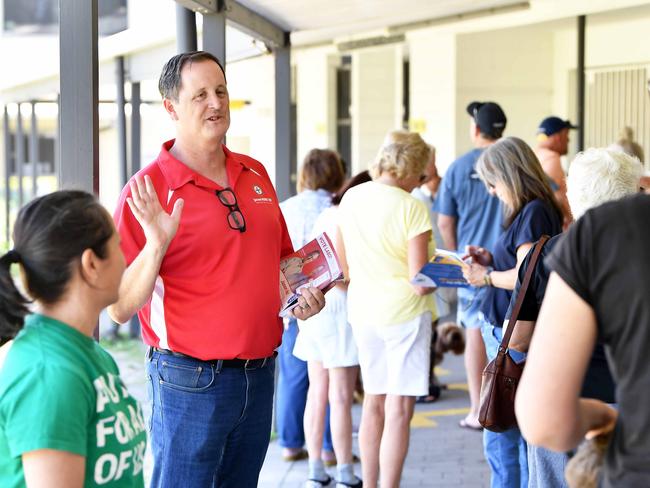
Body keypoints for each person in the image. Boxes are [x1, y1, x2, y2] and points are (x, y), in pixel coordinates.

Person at [108, 51, 325, 488]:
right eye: (201, 95)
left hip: (261, 374)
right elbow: (118, 306)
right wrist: (156, 243)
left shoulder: (255, 173)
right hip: (189, 383)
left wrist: (304, 295)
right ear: (170, 108)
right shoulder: (147, 190)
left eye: (221, 91)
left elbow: (282, 262)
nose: (216, 103)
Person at [504, 148, 642, 487]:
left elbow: (518, 339)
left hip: (568, 405)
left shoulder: (548, 255)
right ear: (635, 192)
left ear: (571, 196)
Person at [0, 190, 146, 488]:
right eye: (118, 245)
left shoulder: (89, 352)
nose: (124, 258)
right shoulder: (48, 373)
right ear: (91, 264)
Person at [337, 130, 437, 488]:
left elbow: (342, 269)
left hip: (363, 311)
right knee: (399, 409)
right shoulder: (411, 206)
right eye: (421, 175)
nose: (421, 182)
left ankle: (369, 484)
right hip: (406, 315)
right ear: (409, 168)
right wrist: (448, 271)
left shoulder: (352, 197)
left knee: (373, 402)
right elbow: (419, 278)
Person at [462, 136, 563, 488]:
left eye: (492, 182)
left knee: (502, 431)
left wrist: (485, 276)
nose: (491, 191)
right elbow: (526, 266)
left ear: (509, 175)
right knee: (510, 431)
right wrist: (491, 260)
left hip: (512, 338)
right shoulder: (535, 209)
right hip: (512, 333)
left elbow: (525, 277)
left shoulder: (533, 211)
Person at [294, 170, 371, 488]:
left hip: (314, 308)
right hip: (338, 311)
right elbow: (341, 275)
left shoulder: (327, 212)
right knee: (340, 396)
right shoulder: (346, 217)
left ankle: (315, 470)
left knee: (318, 392)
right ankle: (344, 472)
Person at [436, 101, 506, 430]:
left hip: (472, 264)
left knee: (475, 330)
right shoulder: (513, 162)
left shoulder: (460, 167)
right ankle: (505, 403)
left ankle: (479, 408)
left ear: (476, 129)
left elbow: (446, 220)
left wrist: (454, 255)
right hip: (510, 263)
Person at [276, 149, 345, 466]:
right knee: (331, 381)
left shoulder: (285, 208)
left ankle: (290, 444)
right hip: (332, 304)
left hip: (292, 307)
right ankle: (331, 448)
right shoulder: (337, 207)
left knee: (294, 379)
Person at [411, 143, 456, 402]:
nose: (435, 167)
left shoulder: (432, 192)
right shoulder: (414, 198)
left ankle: (429, 377)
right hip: (426, 270)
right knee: (426, 330)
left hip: (435, 267)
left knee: (432, 328)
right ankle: (424, 383)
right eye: (431, 161)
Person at [534, 116, 576, 227]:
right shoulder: (551, 158)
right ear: (558, 137)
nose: (568, 140)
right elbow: (555, 195)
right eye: (566, 135)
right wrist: (572, 222)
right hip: (559, 227)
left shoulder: (536, 155)